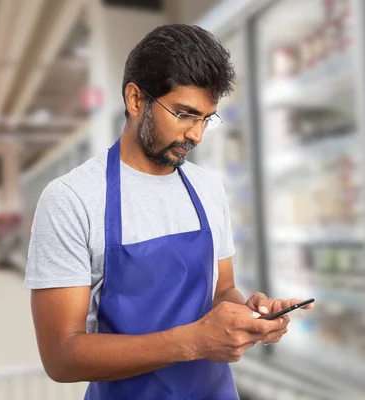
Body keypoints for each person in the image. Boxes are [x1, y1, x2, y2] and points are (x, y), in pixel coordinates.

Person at [25, 24, 313, 400]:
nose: (196, 135)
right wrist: (193, 342)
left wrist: (249, 316)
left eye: (206, 119)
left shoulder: (207, 189)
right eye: (184, 114)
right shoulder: (72, 199)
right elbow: (61, 356)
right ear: (135, 99)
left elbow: (221, 290)